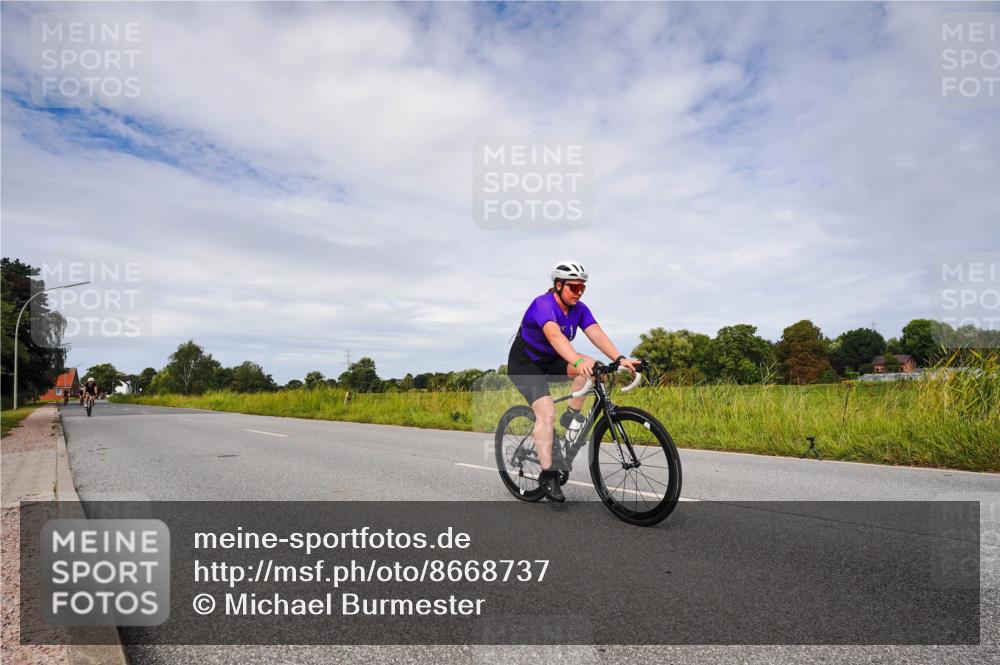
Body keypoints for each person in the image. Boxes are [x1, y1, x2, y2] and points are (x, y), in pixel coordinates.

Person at [508, 260, 639, 502]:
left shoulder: (579, 309)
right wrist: (577, 361)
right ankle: (548, 475)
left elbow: (596, 333)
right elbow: (555, 336)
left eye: (582, 288)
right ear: (558, 285)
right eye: (574, 288)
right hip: (526, 363)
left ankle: (570, 416)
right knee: (546, 412)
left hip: (552, 360)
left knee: (592, 366)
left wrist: (620, 358)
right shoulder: (543, 305)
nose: (578, 292)